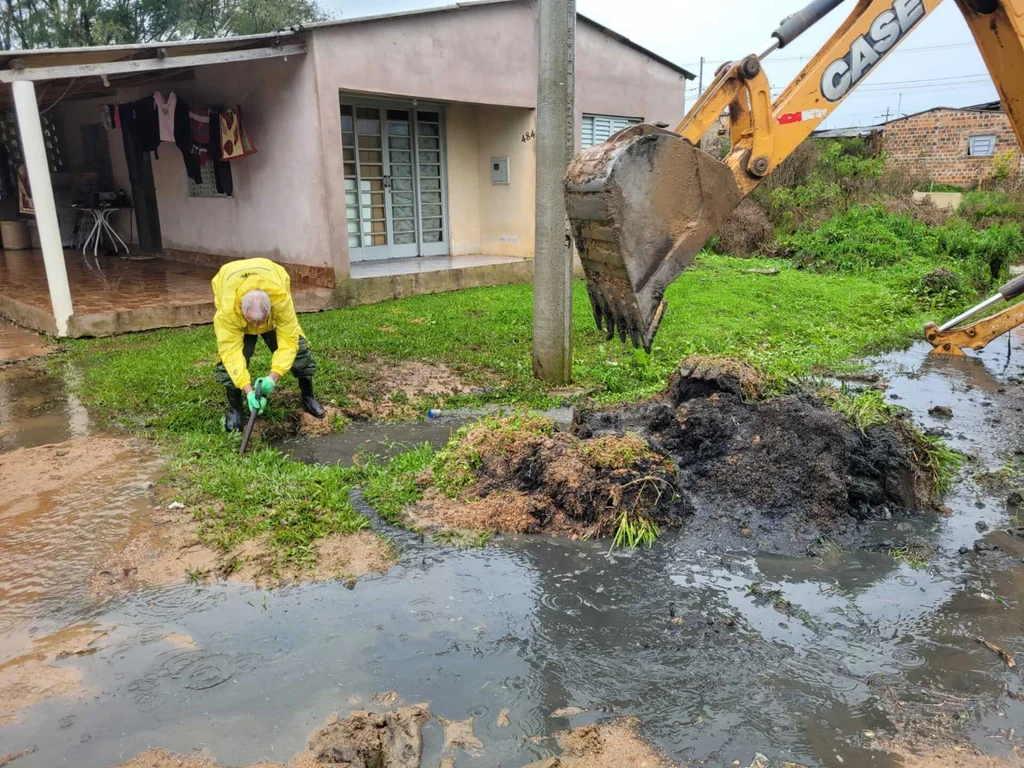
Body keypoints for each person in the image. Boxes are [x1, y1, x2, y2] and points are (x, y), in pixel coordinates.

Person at [211, 257, 326, 431]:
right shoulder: (228, 312)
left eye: (260, 322)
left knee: (300, 352)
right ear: (242, 309)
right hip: (237, 319)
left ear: (270, 308)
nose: (257, 328)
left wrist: (273, 378)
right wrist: (248, 390)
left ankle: (308, 395)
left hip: (272, 316)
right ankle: (235, 408)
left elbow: (288, 341)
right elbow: (231, 352)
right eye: (252, 322)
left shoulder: (280, 301)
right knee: (227, 364)